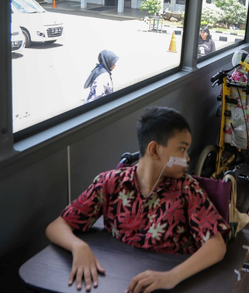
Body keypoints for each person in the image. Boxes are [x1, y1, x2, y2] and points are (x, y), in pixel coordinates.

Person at [45, 107, 230, 292]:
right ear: (154, 149)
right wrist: (78, 247)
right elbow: (57, 226)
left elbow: (216, 246)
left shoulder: (187, 189)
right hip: (117, 282)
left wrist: (172, 277)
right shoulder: (109, 183)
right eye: (182, 149)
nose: (187, 158)